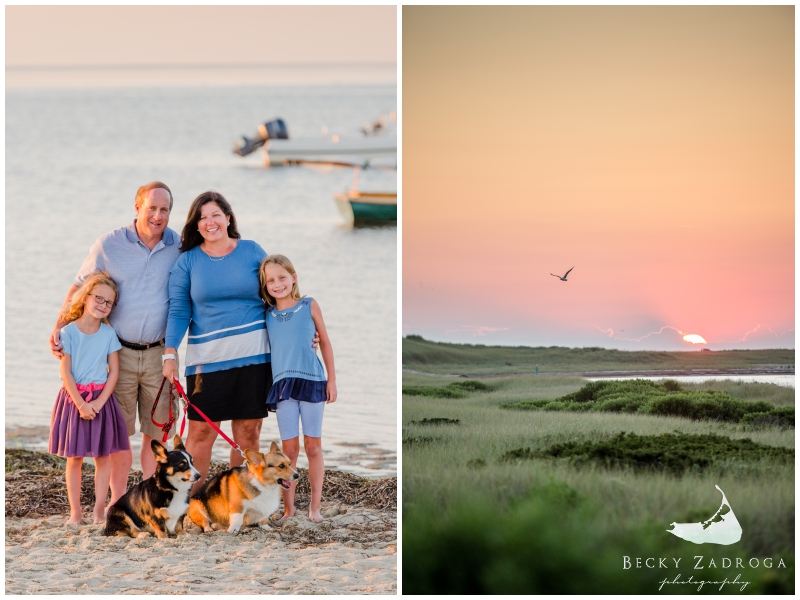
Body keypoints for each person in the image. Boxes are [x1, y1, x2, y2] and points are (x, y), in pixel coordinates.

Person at [50, 182, 181, 500]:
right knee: (118, 435)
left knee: (157, 433)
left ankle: (151, 500)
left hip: (158, 354)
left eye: (164, 210)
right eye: (152, 208)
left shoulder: (180, 245)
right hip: (117, 353)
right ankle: (120, 502)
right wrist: (58, 329)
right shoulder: (109, 244)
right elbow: (79, 288)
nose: (158, 215)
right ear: (137, 208)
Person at [162, 191, 272, 493]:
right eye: (202, 218)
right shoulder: (187, 262)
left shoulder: (252, 251)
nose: (209, 222)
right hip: (205, 362)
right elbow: (178, 311)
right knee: (200, 433)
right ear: (195, 226)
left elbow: (277, 294)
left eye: (215, 215)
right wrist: (169, 354)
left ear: (228, 217)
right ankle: (188, 503)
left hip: (254, 359)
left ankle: (239, 500)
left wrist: (303, 331)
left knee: (248, 434)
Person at [258, 254, 337, 523]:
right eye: (271, 280)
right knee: (289, 451)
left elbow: (324, 342)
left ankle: (315, 508)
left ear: (294, 277)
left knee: (313, 446)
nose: (277, 284)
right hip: (283, 387)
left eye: (282, 277)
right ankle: (289, 510)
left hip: (313, 381)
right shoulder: (266, 314)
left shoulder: (308, 305)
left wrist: (332, 380)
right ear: (265, 285)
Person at [49, 272, 130, 525]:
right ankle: (75, 514)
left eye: (109, 303)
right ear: (85, 297)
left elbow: (114, 372)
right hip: (74, 399)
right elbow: (65, 371)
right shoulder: (69, 332)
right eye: (99, 298)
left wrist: (98, 402)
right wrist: (81, 403)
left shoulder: (108, 334)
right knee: (74, 459)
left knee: (102, 457)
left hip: (101, 400)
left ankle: (98, 512)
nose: (103, 305)